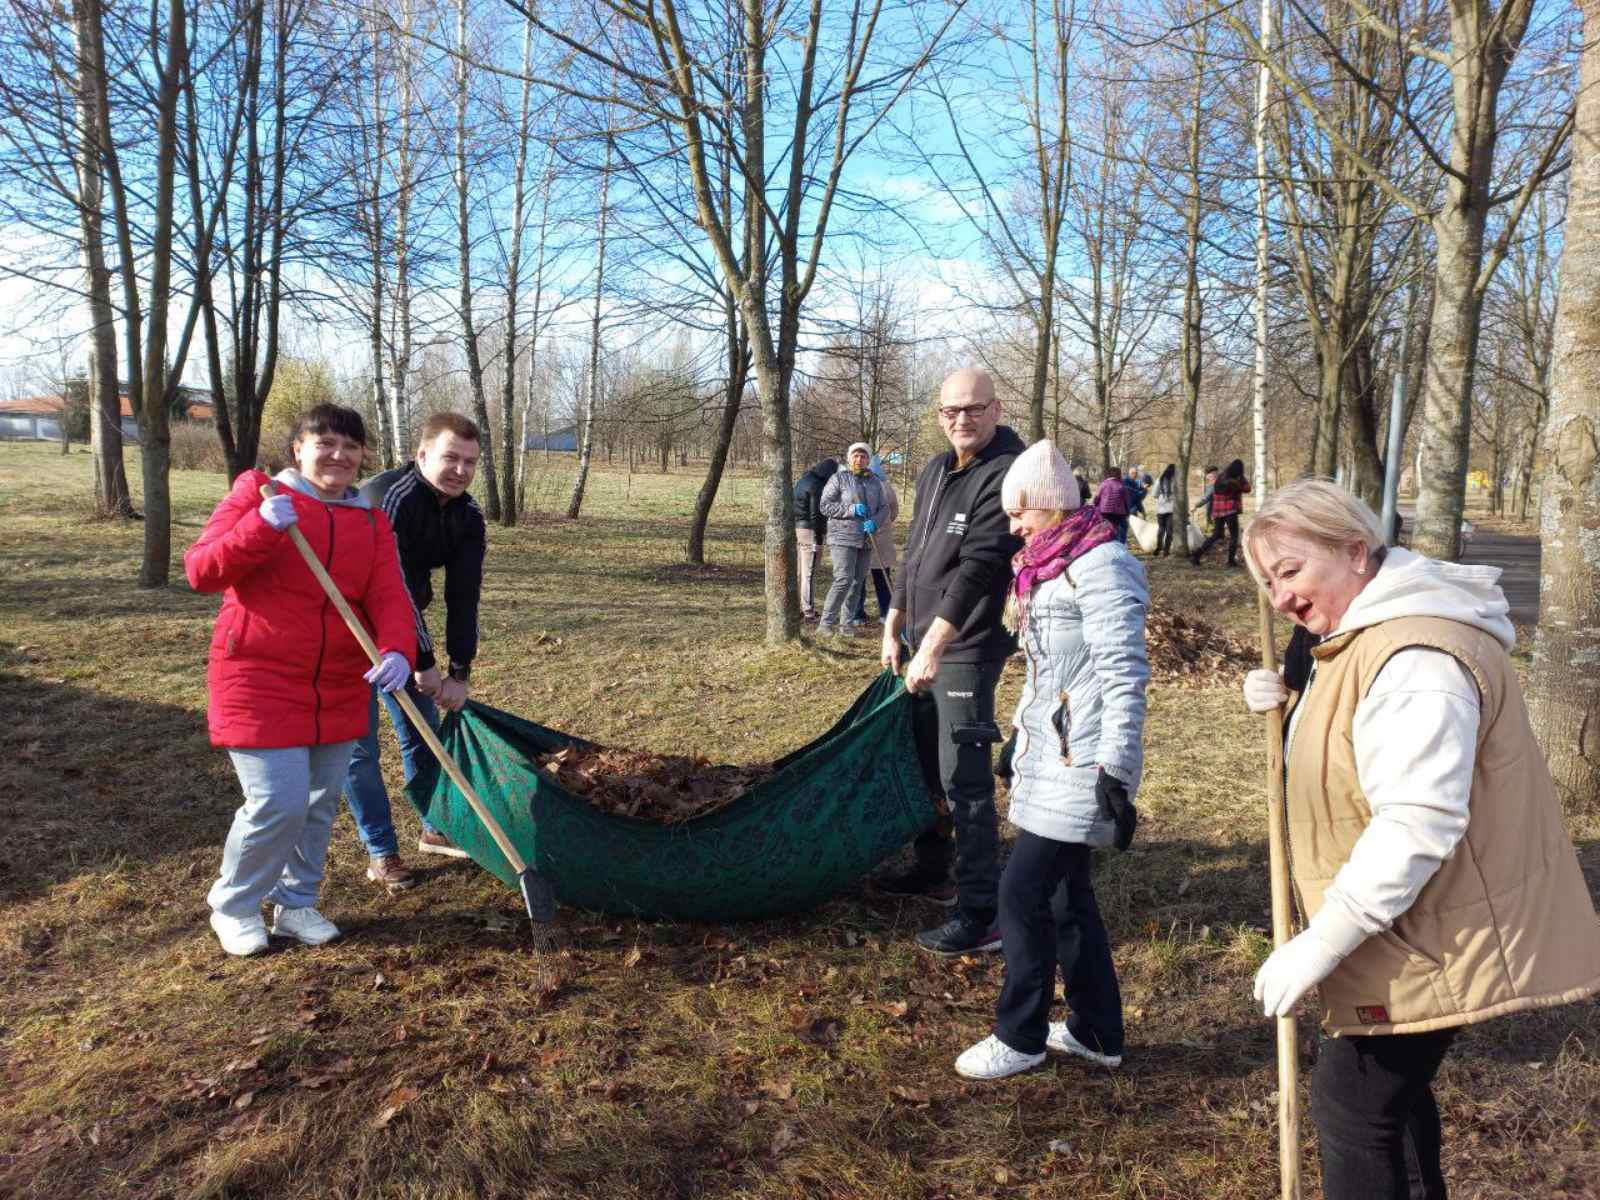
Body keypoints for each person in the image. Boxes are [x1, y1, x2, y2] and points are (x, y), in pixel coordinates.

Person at [1238, 479, 1600, 1200]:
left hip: (1431, 924)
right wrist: (1295, 700)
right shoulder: (1365, 638)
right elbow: (1357, 750)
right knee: (1388, 1107)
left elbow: (1416, 823)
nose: (1279, 599)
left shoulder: (1414, 661)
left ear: (1355, 551)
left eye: (1290, 571)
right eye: (1266, 582)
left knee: (1356, 1108)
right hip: (1410, 920)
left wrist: (1321, 941)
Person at [186, 404, 417, 956]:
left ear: (363, 456)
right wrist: (259, 529)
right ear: (298, 448)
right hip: (258, 676)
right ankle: (236, 905)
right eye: (325, 442)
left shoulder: (369, 516)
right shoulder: (259, 493)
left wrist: (397, 651)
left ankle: (297, 903)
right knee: (278, 802)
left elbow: (388, 593)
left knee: (319, 803)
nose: (339, 455)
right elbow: (201, 570)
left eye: (351, 446)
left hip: (338, 682)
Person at [954, 440, 1149, 1080]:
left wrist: (1116, 772)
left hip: (1086, 760)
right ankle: (1097, 1031)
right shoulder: (1048, 566)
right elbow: (1052, 675)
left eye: (1020, 514)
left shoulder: (1102, 565)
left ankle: (1021, 1034)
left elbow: (1123, 674)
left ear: (1049, 505)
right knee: (1067, 897)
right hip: (1054, 751)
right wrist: (1019, 737)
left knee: (1021, 893)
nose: (1013, 528)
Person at [876, 368, 1026, 955]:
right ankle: (932, 866)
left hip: (964, 649)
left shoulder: (1008, 472)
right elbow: (915, 554)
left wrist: (935, 646)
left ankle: (981, 910)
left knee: (963, 777)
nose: (961, 420)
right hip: (917, 641)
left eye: (972, 409)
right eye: (949, 411)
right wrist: (895, 622)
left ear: (996, 408)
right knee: (922, 765)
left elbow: (980, 568)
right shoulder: (937, 469)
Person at [343, 412, 488, 881]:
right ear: (421, 455)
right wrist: (423, 662)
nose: (460, 470)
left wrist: (459, 671)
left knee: (421, 731)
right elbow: (396, 586)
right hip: (347, 631)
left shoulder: (467, 515)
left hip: (400, 631)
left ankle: (434, 826)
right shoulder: (391, 500)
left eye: (470, 462)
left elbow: (464, 595)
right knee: (358, 748)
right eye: (450, 457)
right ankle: (381, 850)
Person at [817, 442, 890, 636]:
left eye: (864, 456)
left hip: (866, 538)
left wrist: (875, 521)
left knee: (858, 582)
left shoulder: (875, 481)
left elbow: (885, 508)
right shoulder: (839, 479)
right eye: (856, 456)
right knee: (843, 579)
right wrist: (851, 510)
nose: (860, 460)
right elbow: (825, 506)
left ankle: (846, 624)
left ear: (869, 459)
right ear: (849, 458)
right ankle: (826, 623)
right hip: (842, 536)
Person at [849, 454, 899, 626]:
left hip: (879, 539)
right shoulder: (854, 483)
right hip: (860, 538)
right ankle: (860, 613)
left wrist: (877, 523)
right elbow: (894, 512)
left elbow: (891, 510)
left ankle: (881, 613)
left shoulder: (883, 486)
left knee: (877, 577)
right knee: (862, 577)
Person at [794, 457, 839, 622]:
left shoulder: (803, 480)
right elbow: (816, 515)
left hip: (798, 528)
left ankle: (798, 607)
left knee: (801, 572)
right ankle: (808, 611)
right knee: (809, 574)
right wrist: (818, 539)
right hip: (810, 531)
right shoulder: (817, 486)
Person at [1190, 458, 1250, 567]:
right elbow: (1247, 488)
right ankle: (1231, 561)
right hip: (1230, 510)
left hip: (1218, 511)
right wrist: (1241, 478)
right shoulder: (1236, 479)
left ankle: (1196, 555)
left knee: (1216, 535)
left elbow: (1209, 495)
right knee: (1234, 536)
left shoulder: (1220, 477)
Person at [1093, 467, 1129, 543]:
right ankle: (1120, 545)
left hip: (1104, 512)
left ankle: (1106, 545)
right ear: (1118, 475)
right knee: (1120, 531)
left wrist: (1095, 506)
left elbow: (1096, 499)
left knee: (1105, 531)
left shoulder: (1103, 484)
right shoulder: (1121, 485)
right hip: (1119, 513)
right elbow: (1126, 501)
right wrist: (1127, 512)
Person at [1153, 464, 1177, 556]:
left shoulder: (1160, 479)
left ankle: (1159, 547)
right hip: (1172, 508)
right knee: (1169, 530)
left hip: (1161, 508)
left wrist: (1162, 496)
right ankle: (1166, 550)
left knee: (1161, 529)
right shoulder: (1177, 480)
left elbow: (1154, 494)